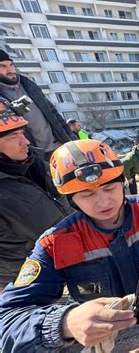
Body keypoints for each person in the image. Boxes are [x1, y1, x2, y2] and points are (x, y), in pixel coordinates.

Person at [0, 140, 139, 351]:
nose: (103, 202)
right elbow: (9, 320)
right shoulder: (56, 242)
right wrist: (64, 323)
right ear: (72, 200)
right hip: (117, 341)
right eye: (87, 194)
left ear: (122, 182)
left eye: (109, 188)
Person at [0, 110, 71, 291]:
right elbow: (51, 229)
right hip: (22, 280)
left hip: (53, 263)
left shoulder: (30, 164)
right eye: (13, 136)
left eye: (22, 133)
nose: (26, 142)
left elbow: (64, 200)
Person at [0, 49, 72, 160]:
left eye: (11, 65)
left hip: (60, 146)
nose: (10, 70)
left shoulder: (28, 84)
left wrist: (70, 136)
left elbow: (52, 112)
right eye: (2, 66)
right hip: (33, 155)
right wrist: (12, 112)